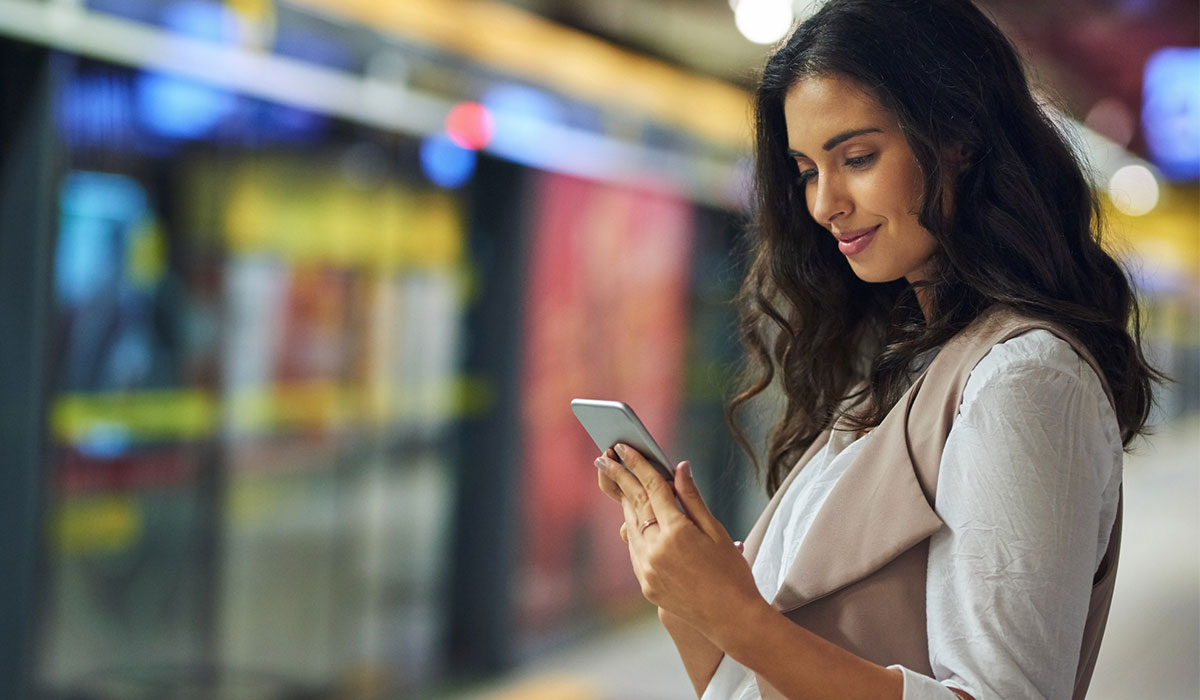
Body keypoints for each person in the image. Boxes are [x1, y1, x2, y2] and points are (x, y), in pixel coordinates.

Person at [592, 1, 1162, 699]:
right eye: (805, 170)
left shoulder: (1023, 377)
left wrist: (734, 614)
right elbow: (754, 686)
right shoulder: (904, 371)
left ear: (959, 139)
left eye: (856, 158)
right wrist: (689, 601)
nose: (824, 202)